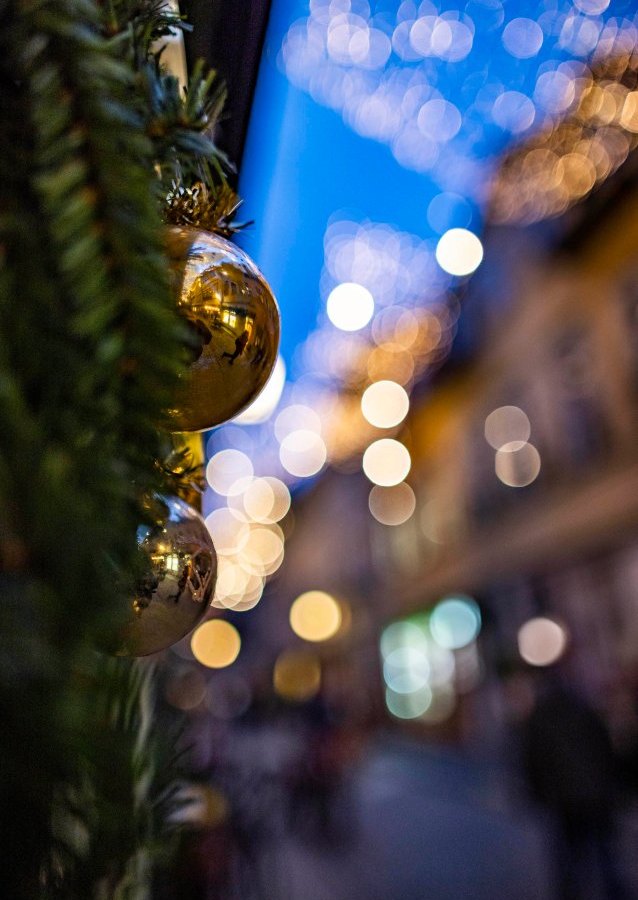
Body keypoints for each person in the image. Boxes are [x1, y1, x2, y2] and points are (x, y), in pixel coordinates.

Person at [521, 670, 629, 900]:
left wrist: (537, 793)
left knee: (569, 856)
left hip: (564, 799)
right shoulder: (584, 711)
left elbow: (532, 760)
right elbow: (606, 748)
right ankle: (614, 891)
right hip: (594, 794)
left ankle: (572, 893)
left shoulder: (540, 719)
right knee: (603, 852)